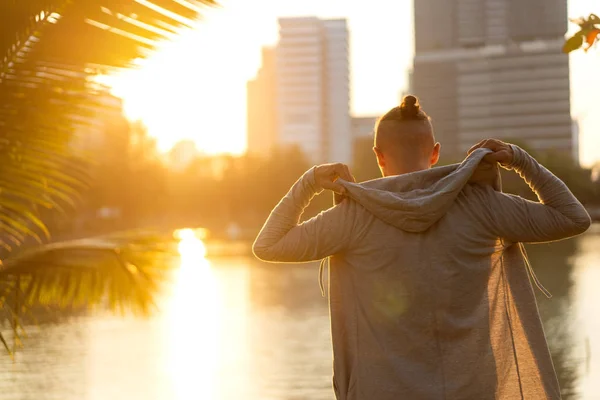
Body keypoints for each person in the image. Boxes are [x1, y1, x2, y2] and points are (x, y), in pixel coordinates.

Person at [252, 95, 591, 399]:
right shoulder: (481, 205)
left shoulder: (353, 217)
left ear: (378, 156)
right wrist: (518, 160)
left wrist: (309, 182)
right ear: (435, 153)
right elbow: (573, 217)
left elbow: (269, 244)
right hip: (473, 389)